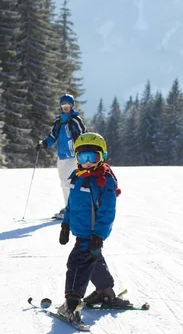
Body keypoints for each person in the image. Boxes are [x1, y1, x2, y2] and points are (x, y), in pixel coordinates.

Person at [56, 132, 130, 323]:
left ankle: (71, 304)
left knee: (76, 264)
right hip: (81, 232)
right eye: (83, 157)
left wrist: (99, 235)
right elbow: (72, 204)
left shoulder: (104, 181)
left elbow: (107, 212)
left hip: (91, 235)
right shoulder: (78, 177)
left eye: (93, 157)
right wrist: (65, 224)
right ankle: (105, 292)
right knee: (94, 260)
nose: (87, 162)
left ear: (102, 156)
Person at [36, 94, 86, 219]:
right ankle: (69, 207)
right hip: (62, 157)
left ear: (72, 106)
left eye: (67, 105)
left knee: (70, 182)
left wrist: (82, 150)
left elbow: (83, 135)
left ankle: (72, 209)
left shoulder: (75, 120)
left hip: (73, 156)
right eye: (63, 105)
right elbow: (52, 136)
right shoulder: (58, 121)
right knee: (64, 183)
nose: (65, 107)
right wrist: (43, 143)